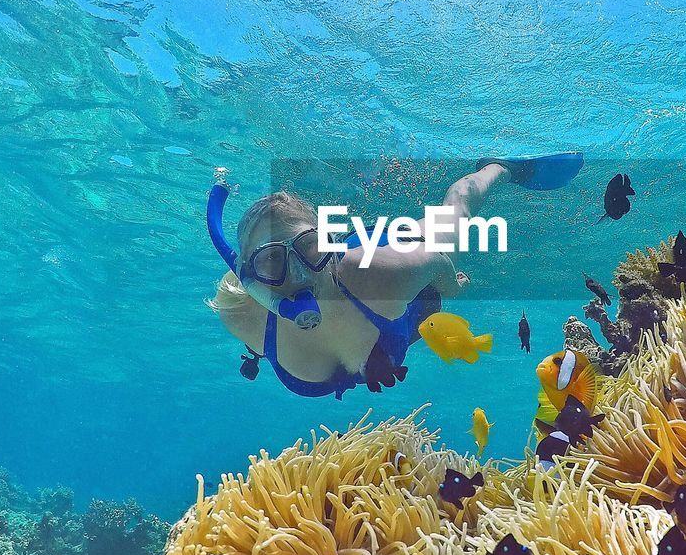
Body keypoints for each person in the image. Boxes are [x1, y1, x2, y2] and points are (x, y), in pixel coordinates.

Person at [206, 155, 582, 399]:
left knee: (457, 212)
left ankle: (498, 168)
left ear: (329, 245)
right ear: (250, 277)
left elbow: (436, 261)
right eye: (273, 263)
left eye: (310, 248)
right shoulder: (241, 313)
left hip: (386, 265)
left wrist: (452, 289)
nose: (300, 273)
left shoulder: (380, 275)